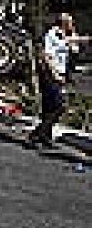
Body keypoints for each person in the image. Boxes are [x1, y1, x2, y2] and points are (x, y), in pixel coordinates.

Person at [26, 13, 90, 150]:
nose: (71, 24)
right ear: (63, 22)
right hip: (49, 74)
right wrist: (55, 74)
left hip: (60, 74)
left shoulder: (66, 35)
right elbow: (46, 56)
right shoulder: (52, 34)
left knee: (50, 106)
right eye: (69, 21)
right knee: (59, 105)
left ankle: (45, 137)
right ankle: (36, 134)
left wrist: (73, 33)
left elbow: (75, 48)